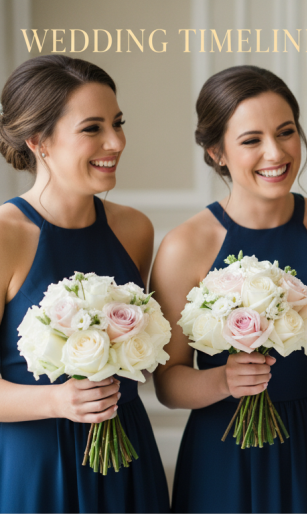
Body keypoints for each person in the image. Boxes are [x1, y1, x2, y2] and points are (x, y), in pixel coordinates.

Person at [151, 65, 307, 513]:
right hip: (223, 447)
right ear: (217, 153)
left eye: (286, 132)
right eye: (252, 140)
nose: (276, 153)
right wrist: (224, 380)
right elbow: (168, 384)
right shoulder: (184, 247)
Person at [0, 55, 169, 512]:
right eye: (92, 128)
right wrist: (58, 399)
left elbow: (149, 361)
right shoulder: (5, 236)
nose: (116, 142)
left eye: (117, 123)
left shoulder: (135, 230)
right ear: (40, 142)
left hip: (129, 454)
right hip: (39, 464)